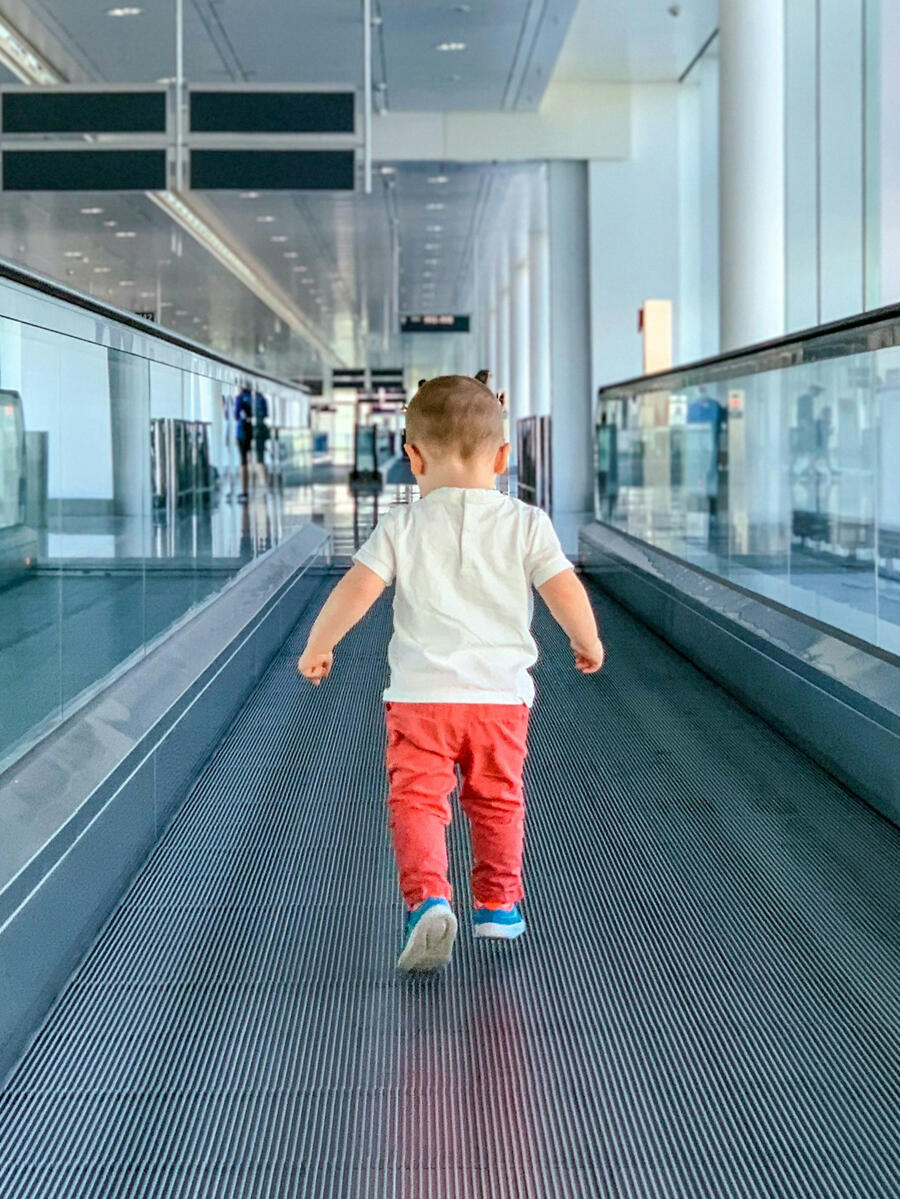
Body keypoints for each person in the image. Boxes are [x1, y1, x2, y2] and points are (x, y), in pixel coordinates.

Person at [297, 375, 605, 972]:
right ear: (502, 457)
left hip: (420, 699)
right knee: (497, 800)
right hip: (501, 702)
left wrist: (319, 644)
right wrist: (585, 639)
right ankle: (498, 903)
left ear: (412, 457)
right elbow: (563, 587)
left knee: (417, 802)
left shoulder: (402, 525)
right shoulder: (527, 523)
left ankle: (428, 900)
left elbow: (357, 588)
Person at [234, 382, 254, 502]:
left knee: (243, 461)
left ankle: (244, 491)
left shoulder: (240, 398)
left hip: (242, 431)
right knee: (249, 458)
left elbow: (235, 415)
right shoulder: (255, 397)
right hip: (251, 430)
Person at [253, 388, 270, 488]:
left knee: (259, 457)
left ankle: (263, 480)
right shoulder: (263, 400)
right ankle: (263, 479)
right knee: (261, 456)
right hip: (262, 429)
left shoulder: (253, 400)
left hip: (257, 431)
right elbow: (266, 414)